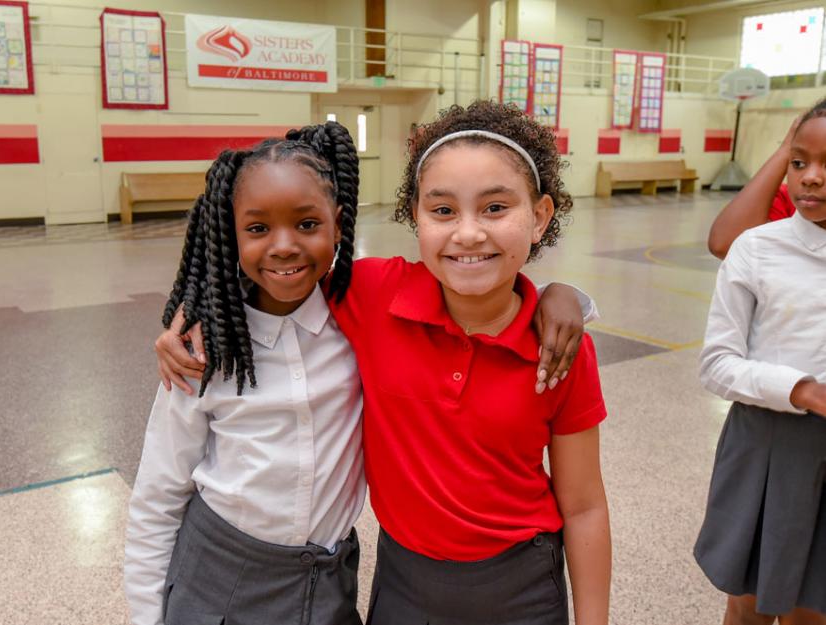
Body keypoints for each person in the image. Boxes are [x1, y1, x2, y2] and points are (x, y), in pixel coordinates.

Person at [158, 101, 611, 625]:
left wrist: (565, 295)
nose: (468, 233)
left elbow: (583, 507)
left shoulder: (559, 349)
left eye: (494, 208)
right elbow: (280, 268)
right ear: (413, 217)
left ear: (538, 218)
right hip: (405, 586)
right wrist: (191, 314)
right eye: (443, 211)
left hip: (523, 587)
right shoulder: (374, 294)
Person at [124, 122, 366, 625]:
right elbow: (158, 495)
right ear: (229, 234)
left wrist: (556, 297)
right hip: (220, 585)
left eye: (306, 224)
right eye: (257, 229)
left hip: (329, 584)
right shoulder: (205, 348)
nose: (283, 246)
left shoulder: (364, 324)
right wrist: (146, 616)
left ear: (337, 225)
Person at [696, 98, 826, 625]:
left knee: (812, 605)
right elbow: (716, 364)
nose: (811, 179)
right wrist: (803, 390)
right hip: (767, 445)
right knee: (749, 602)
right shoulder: (758, 249)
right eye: (800, 163)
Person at [706, 112, 817, 259]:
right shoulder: (799, 201)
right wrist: (787, 148)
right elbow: (725, 244)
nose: (810, 178)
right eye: (799, 163)